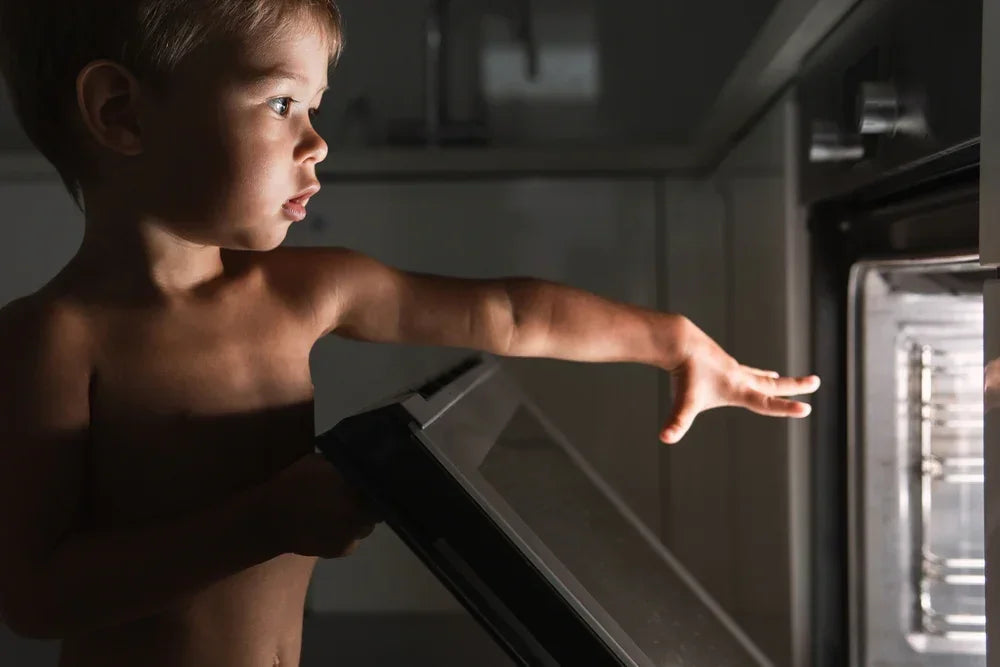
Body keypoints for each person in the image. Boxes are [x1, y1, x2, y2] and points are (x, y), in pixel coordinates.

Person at [0, 2, 820, 665]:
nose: (317, 141)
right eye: (282, 103)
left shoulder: (301, 292)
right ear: (121, 112)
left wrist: (671, 341)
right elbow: (35, 595)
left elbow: (510, 314)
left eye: (314, 107)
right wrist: (263, 522)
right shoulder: (53, 341)